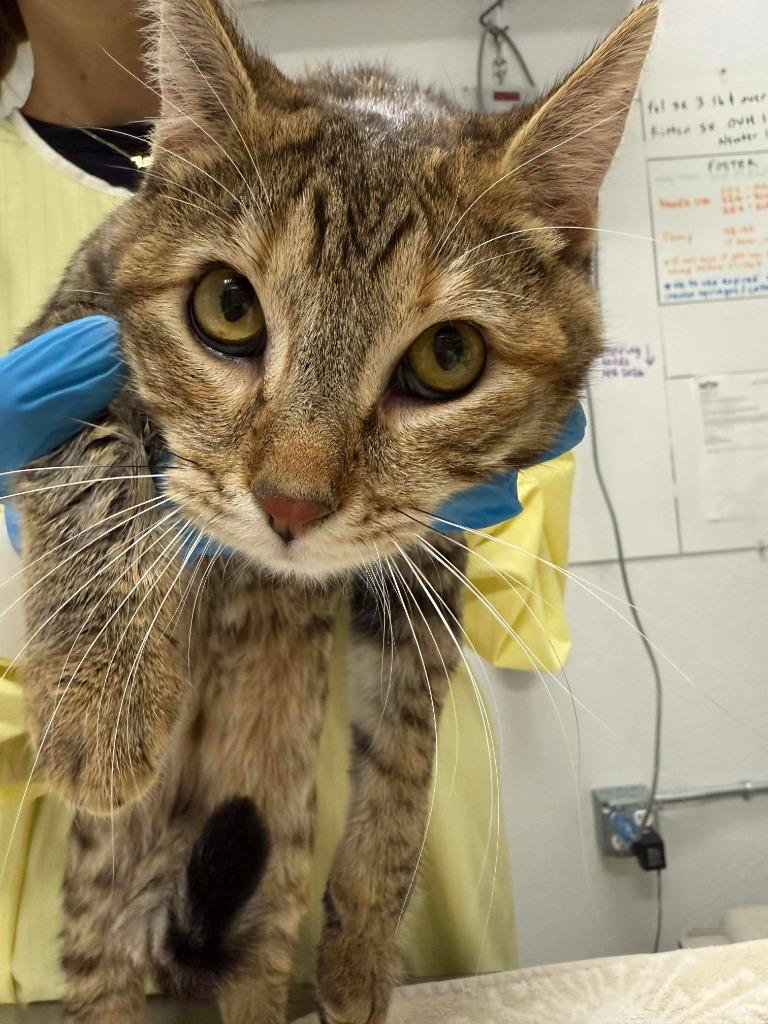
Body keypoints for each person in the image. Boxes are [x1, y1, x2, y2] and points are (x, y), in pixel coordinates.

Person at [0, 0, 580, 1010]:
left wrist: (465, 419)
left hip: (409, 891)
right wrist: (32, 577)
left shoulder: (466, 188)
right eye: (229, 310)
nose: (296, 486)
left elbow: (513, 610)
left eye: (446, 354)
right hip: (92, 924)